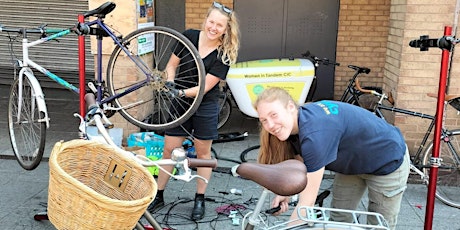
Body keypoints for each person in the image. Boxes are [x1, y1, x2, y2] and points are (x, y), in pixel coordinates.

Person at [254, 87, 410, 229]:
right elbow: (300, 165)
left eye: (274, 115)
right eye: (264, 120)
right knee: (338, 220)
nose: (271, 125)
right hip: (353, 163)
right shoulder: (295, 125)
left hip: (386, 159)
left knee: (379, 225)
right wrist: (286, 192)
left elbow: (305, 207)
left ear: (290, 107)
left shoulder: (315, 134)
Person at [147, 1, 240, 220]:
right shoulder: (188, 36)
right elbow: (171, 65)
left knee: (203, 154)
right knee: (169, 150)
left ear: (226, 30)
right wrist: (170, 82)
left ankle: (200, 198)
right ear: (205, 20)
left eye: (220, 25)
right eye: (211, 22)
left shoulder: (225, 54)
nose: (214, 27)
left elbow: (205, 87)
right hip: (179, 102)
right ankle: (159, 195)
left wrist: (179, 93)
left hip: (205, 104)